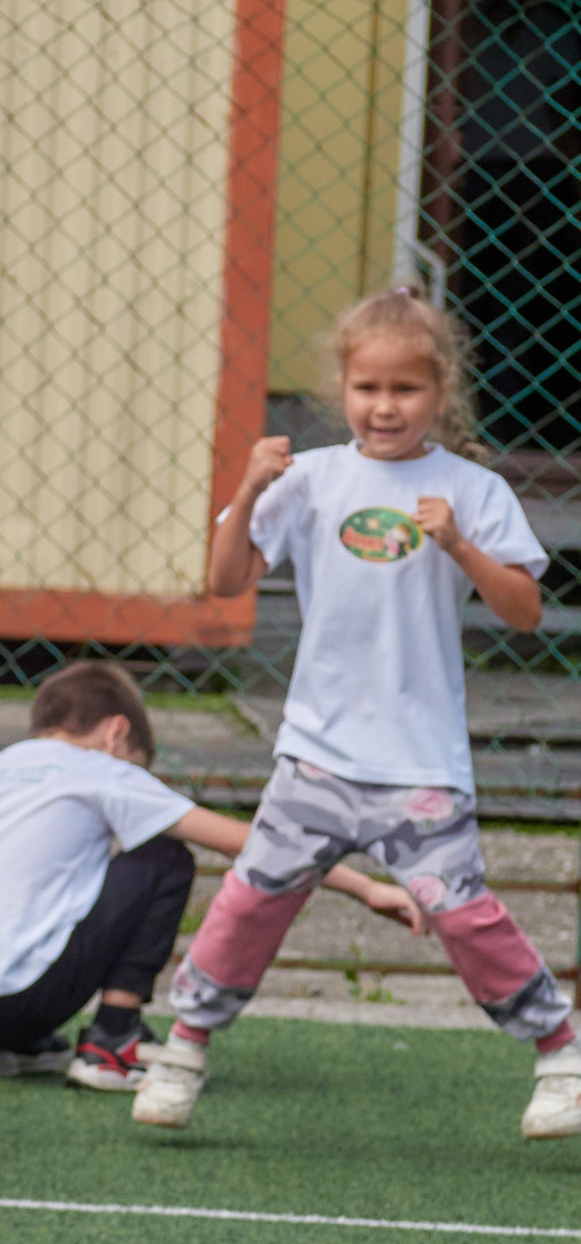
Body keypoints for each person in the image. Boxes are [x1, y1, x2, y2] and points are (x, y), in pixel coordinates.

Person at [137, 286, 581, 1138]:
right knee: (249, 901)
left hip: (418, 764)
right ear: (342, 389)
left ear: (439, 392)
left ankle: (559, 1051)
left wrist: (458, 544)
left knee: (461, 912)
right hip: (314, 757)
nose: (385, 407)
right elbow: (227, 580)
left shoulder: (473, 490)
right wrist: (249, 482)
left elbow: (524, 609)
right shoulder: (308, 479)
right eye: (368, 388)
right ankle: (185, 1047)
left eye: (405, 389)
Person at [0, 661, 422, 1083]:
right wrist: (364, 885)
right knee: (165, 855)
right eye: (136, 758)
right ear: (113, 733)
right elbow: (250, 843)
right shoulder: (102, 769)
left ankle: (3, 1047)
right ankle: (112, 1040)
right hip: (21, 991)